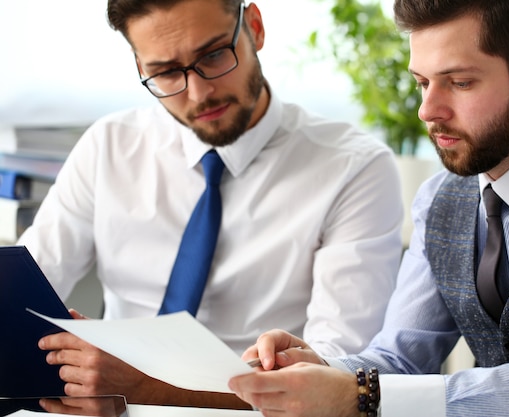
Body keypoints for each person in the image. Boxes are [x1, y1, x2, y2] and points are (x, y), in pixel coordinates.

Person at [228, 0, 509, 415]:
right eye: (422, 82)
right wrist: (322, 369)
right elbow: (401, 359)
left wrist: (361, 396)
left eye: (460, 82)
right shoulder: (439, 198)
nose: (427, 111)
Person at [18, 0, 404, 408]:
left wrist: (138, 389)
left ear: (254, 26)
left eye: (215, 54)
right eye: (166, 72)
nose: (200, 93)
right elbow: (22, 296)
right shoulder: (108, 146)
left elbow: (334, 376)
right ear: (140, 68)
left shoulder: (354, 167)